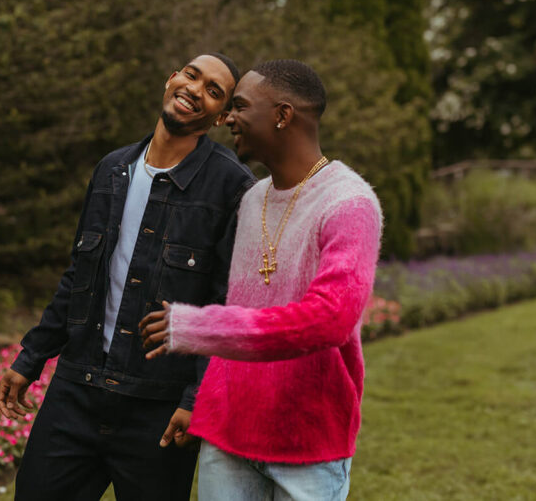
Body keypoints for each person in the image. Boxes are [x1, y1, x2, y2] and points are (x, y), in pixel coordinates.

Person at [0, 53, 255, 501]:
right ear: (170, 78)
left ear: (220, 117)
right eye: (191, 75)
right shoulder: (111, 170)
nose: (196, 90)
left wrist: (195, 399)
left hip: (157, 408)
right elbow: (80, 273)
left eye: (214, 91)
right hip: (77, 390)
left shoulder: (232, 187)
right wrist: (31, 356)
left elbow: (224, 307)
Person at [139, 59, 383, 501]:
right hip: (227, 438)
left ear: (282, 115)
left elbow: (331, 319)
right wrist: (203, 404)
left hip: (307, 445)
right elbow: (239, 308)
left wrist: (198, 327)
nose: (227, 118)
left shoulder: (349, 204)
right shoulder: (251, 200)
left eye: (240, 106)